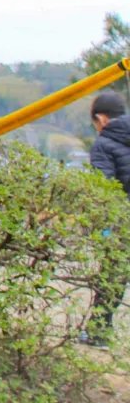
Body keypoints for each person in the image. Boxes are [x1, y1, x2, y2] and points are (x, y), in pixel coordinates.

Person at [85, 90, 130, 344]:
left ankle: (99, 333)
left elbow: (104, 189)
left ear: (101, 118)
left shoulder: (103, 144)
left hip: (123, 220)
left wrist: (103, 228)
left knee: (113, 274)